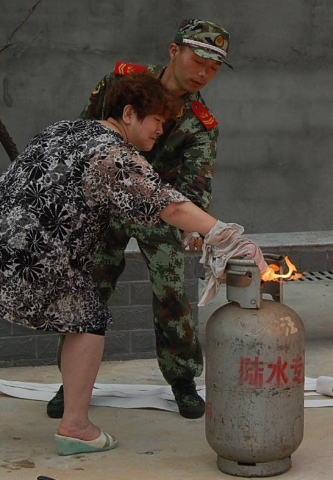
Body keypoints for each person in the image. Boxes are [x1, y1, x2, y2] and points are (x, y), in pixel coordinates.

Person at [0, 73, 266, 455]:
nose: (162, 128)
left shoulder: (64, 128)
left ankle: (75, 422)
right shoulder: (111, 155)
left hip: (8, 238)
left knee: (85, 311)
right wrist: (226, 235)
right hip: (32, 255)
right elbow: (167, 204)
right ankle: (75, 426)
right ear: (128, 114)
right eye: (156, 119)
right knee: (87, 316)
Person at [47, 19, 231, 420]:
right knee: (89, 291)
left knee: (171, 294)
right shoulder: (121, 84)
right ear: (173, 51)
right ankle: (71, 382)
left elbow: (196, 180)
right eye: (198, 60)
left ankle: (182, 380)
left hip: (157, 209)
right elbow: (84, 134)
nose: (203, 73)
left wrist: (193, 226)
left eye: (213, 68)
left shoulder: (200, 124)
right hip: (104, 205)